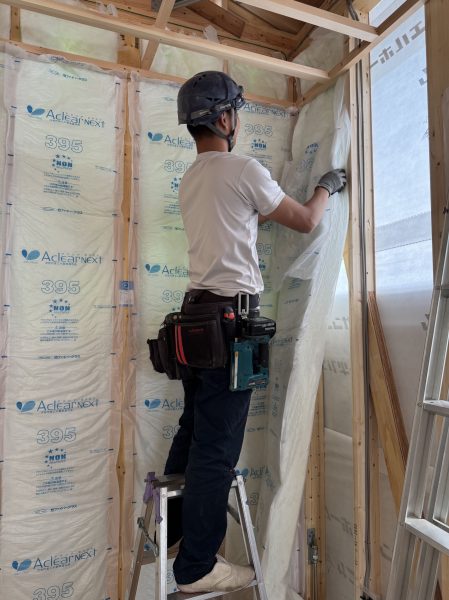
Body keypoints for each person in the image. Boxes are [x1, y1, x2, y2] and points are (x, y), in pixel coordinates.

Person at [163, 70, 347, 594]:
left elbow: (244, 219)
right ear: (225, 119)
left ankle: (172, 535)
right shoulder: (242, 168)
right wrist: (325, 188)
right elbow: (306, 220)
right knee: (217, 449)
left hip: (195, 320)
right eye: (235, 112)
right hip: (227, 323)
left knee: (194, 428)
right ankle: (197, 567)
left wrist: (268, 203)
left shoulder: (193, 178)